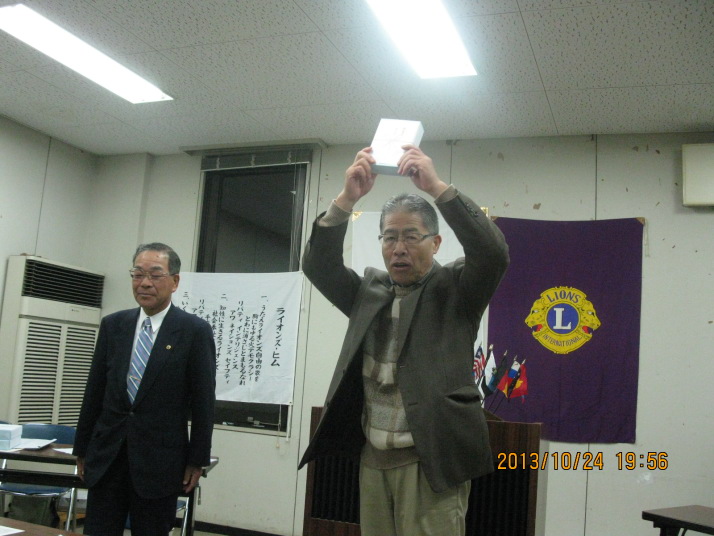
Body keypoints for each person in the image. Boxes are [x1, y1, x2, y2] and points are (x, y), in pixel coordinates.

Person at [298, 145, 509, 536]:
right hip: (372, 459)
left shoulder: (456, 290)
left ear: (436, 243)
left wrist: (437, 187)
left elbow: (492, 253)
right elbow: (318, 265)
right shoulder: (369, 292)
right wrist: (346, 199)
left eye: (411, 237)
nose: (398, 248)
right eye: (389, 237)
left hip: (431, 462)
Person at [73, 243, 216, 536]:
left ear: (174, 281)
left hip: (160, 463)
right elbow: (94, 390)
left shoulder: (193, 331)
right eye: (138, 274)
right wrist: (83, 447)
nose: (145, 283)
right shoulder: (114, 325)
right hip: (107, 457)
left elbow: (204, 402)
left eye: (155, 274)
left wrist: (197, 460)